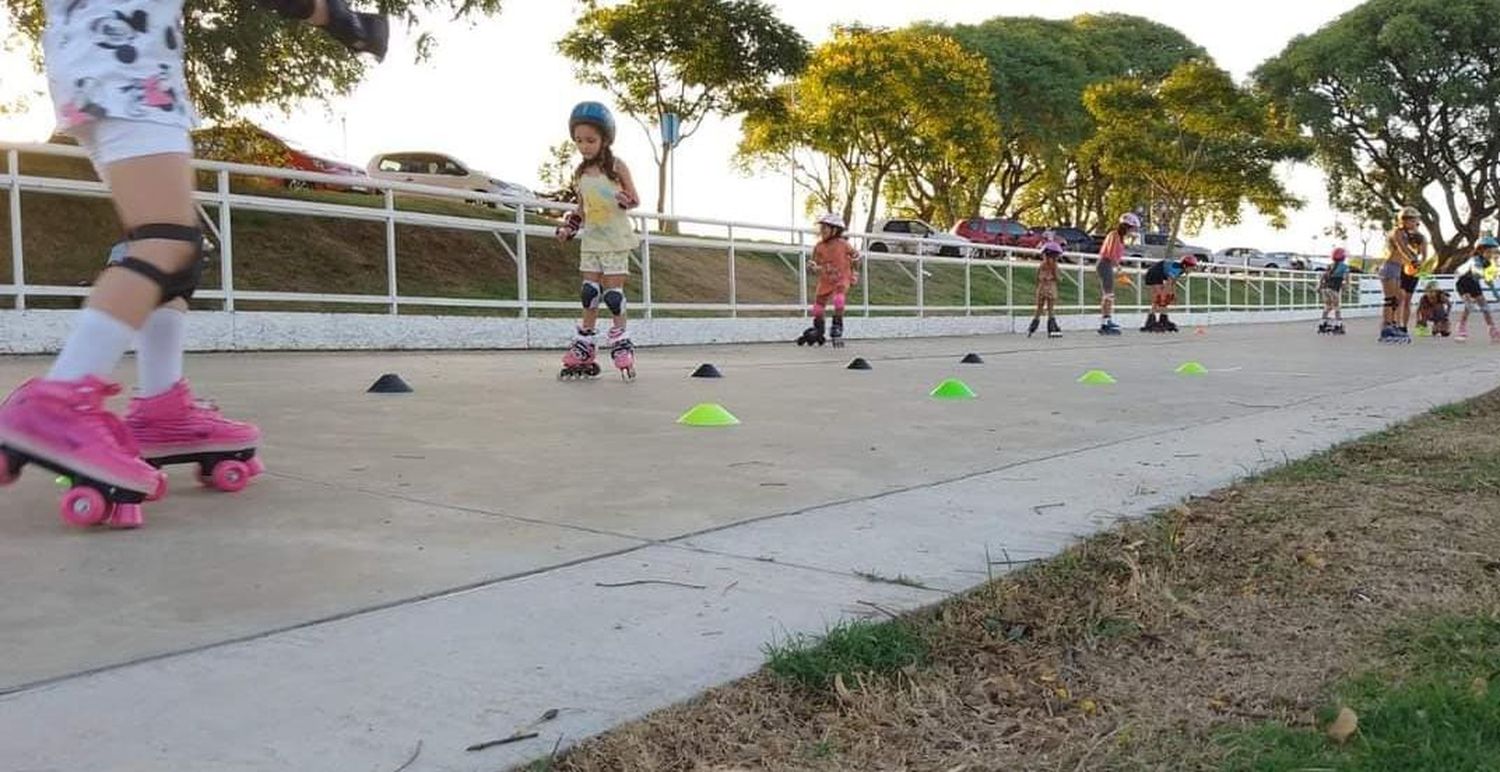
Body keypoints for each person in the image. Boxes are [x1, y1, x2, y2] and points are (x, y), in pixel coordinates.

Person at [0, 0, 386, 528]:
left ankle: (161, 409)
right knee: (165, 240)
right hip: (123, 59)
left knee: (178, 250)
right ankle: (58, 400)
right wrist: (341, 19)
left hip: (115, 58)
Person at [555, 101, 642, 380]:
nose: (584, 146)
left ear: (605, 139)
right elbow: (581, 209)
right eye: (579, 140)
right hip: (592, 240)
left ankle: (620, 343)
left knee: (613, 297)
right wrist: (569, 228)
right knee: (589, 293)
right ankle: (585, 345)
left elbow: (635, 199)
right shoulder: (580, 173)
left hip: (615, 239)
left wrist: (625, 200)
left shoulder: (617, 167)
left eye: (590, 140)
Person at [797, 213, 860, 348]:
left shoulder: (843, 244)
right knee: (818, 306)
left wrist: (855, 273)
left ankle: (837, 325)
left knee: (838, 299)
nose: (822, 231)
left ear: (835, 230)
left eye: (825, 228)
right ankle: (819, 328)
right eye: (822, 228)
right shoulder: (819, 246)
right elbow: (814, 263)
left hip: (842, 277)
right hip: (826, 279)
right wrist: (811, 267)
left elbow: (856, 258)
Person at [1379, 206, 1424, 343]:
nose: (1415, 224)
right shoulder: (1397, 232)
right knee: (1391, 299)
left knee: (1398, 298)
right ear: (1404, 220)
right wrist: (1412, 259)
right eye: (1413, 221)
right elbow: (1401, 248)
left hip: (1398, 267)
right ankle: (1386, 328)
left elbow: (1411, 250)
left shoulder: (1406, 234)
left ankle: (1392, 324)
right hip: (1389, 267)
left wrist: (1413, 259)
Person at [1096, 213, 1139, 336]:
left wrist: (1117, 265)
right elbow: (1110, 252)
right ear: (1126, 226)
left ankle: (1107, 320)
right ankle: (1105, 323)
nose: (1132, 231)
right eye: (1132, 228)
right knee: (1108, 295)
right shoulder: (1114, 235)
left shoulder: (1119, 237)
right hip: (1105, 264)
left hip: (1108, 264)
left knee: (1109, 294)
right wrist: (1119, 267)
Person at [1453, 237, 1500, 343]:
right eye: (1488, 252)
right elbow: (1476, 272)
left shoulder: (1487, 263)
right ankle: (1461, 327)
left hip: (1474, 284)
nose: (1490, 255)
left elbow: (1488, 281)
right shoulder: (1474, 260)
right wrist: (1486, 274)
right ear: (1479, 250)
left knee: (1485, 307)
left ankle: (1492, 329)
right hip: (1463, 282)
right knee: (1469, 305)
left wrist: (1496, 294)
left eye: (1492, 252)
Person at [1140, 254, 1198, 333]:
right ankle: (1151, 322)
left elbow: (1173, 282)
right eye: (1191, 268)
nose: (1192, 270)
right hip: (1154, 274)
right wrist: (1165, 295)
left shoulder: (1180, 270)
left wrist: (1173, 294)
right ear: (1185, 266)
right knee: (1159, 299)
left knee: (1163, 299)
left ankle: (1162, 319)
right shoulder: (1177, 269)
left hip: (1159, 273)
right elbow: (1168, 283)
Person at [1028, 241, 1064, 339]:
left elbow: (1037, 276)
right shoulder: (1054, 265)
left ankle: (1032, 327)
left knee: (1039, 309)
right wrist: (1061, 278)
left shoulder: (1042, 264)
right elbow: (1057, 277)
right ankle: (1051, 328)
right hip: (1051, 287)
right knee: (1050, 309)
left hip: (1041, 287)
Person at [1317, 247, 1351, 335]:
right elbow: (1346, 278)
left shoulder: (1330, 266)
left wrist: (1319, 287)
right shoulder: (1344, 267)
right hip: (1333, 289)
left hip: (1325, 288)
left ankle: (1322, 323)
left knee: (1327, 306)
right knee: (1337, 307)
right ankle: (1338, 325)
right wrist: (1346, 287)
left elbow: (1323, 277)